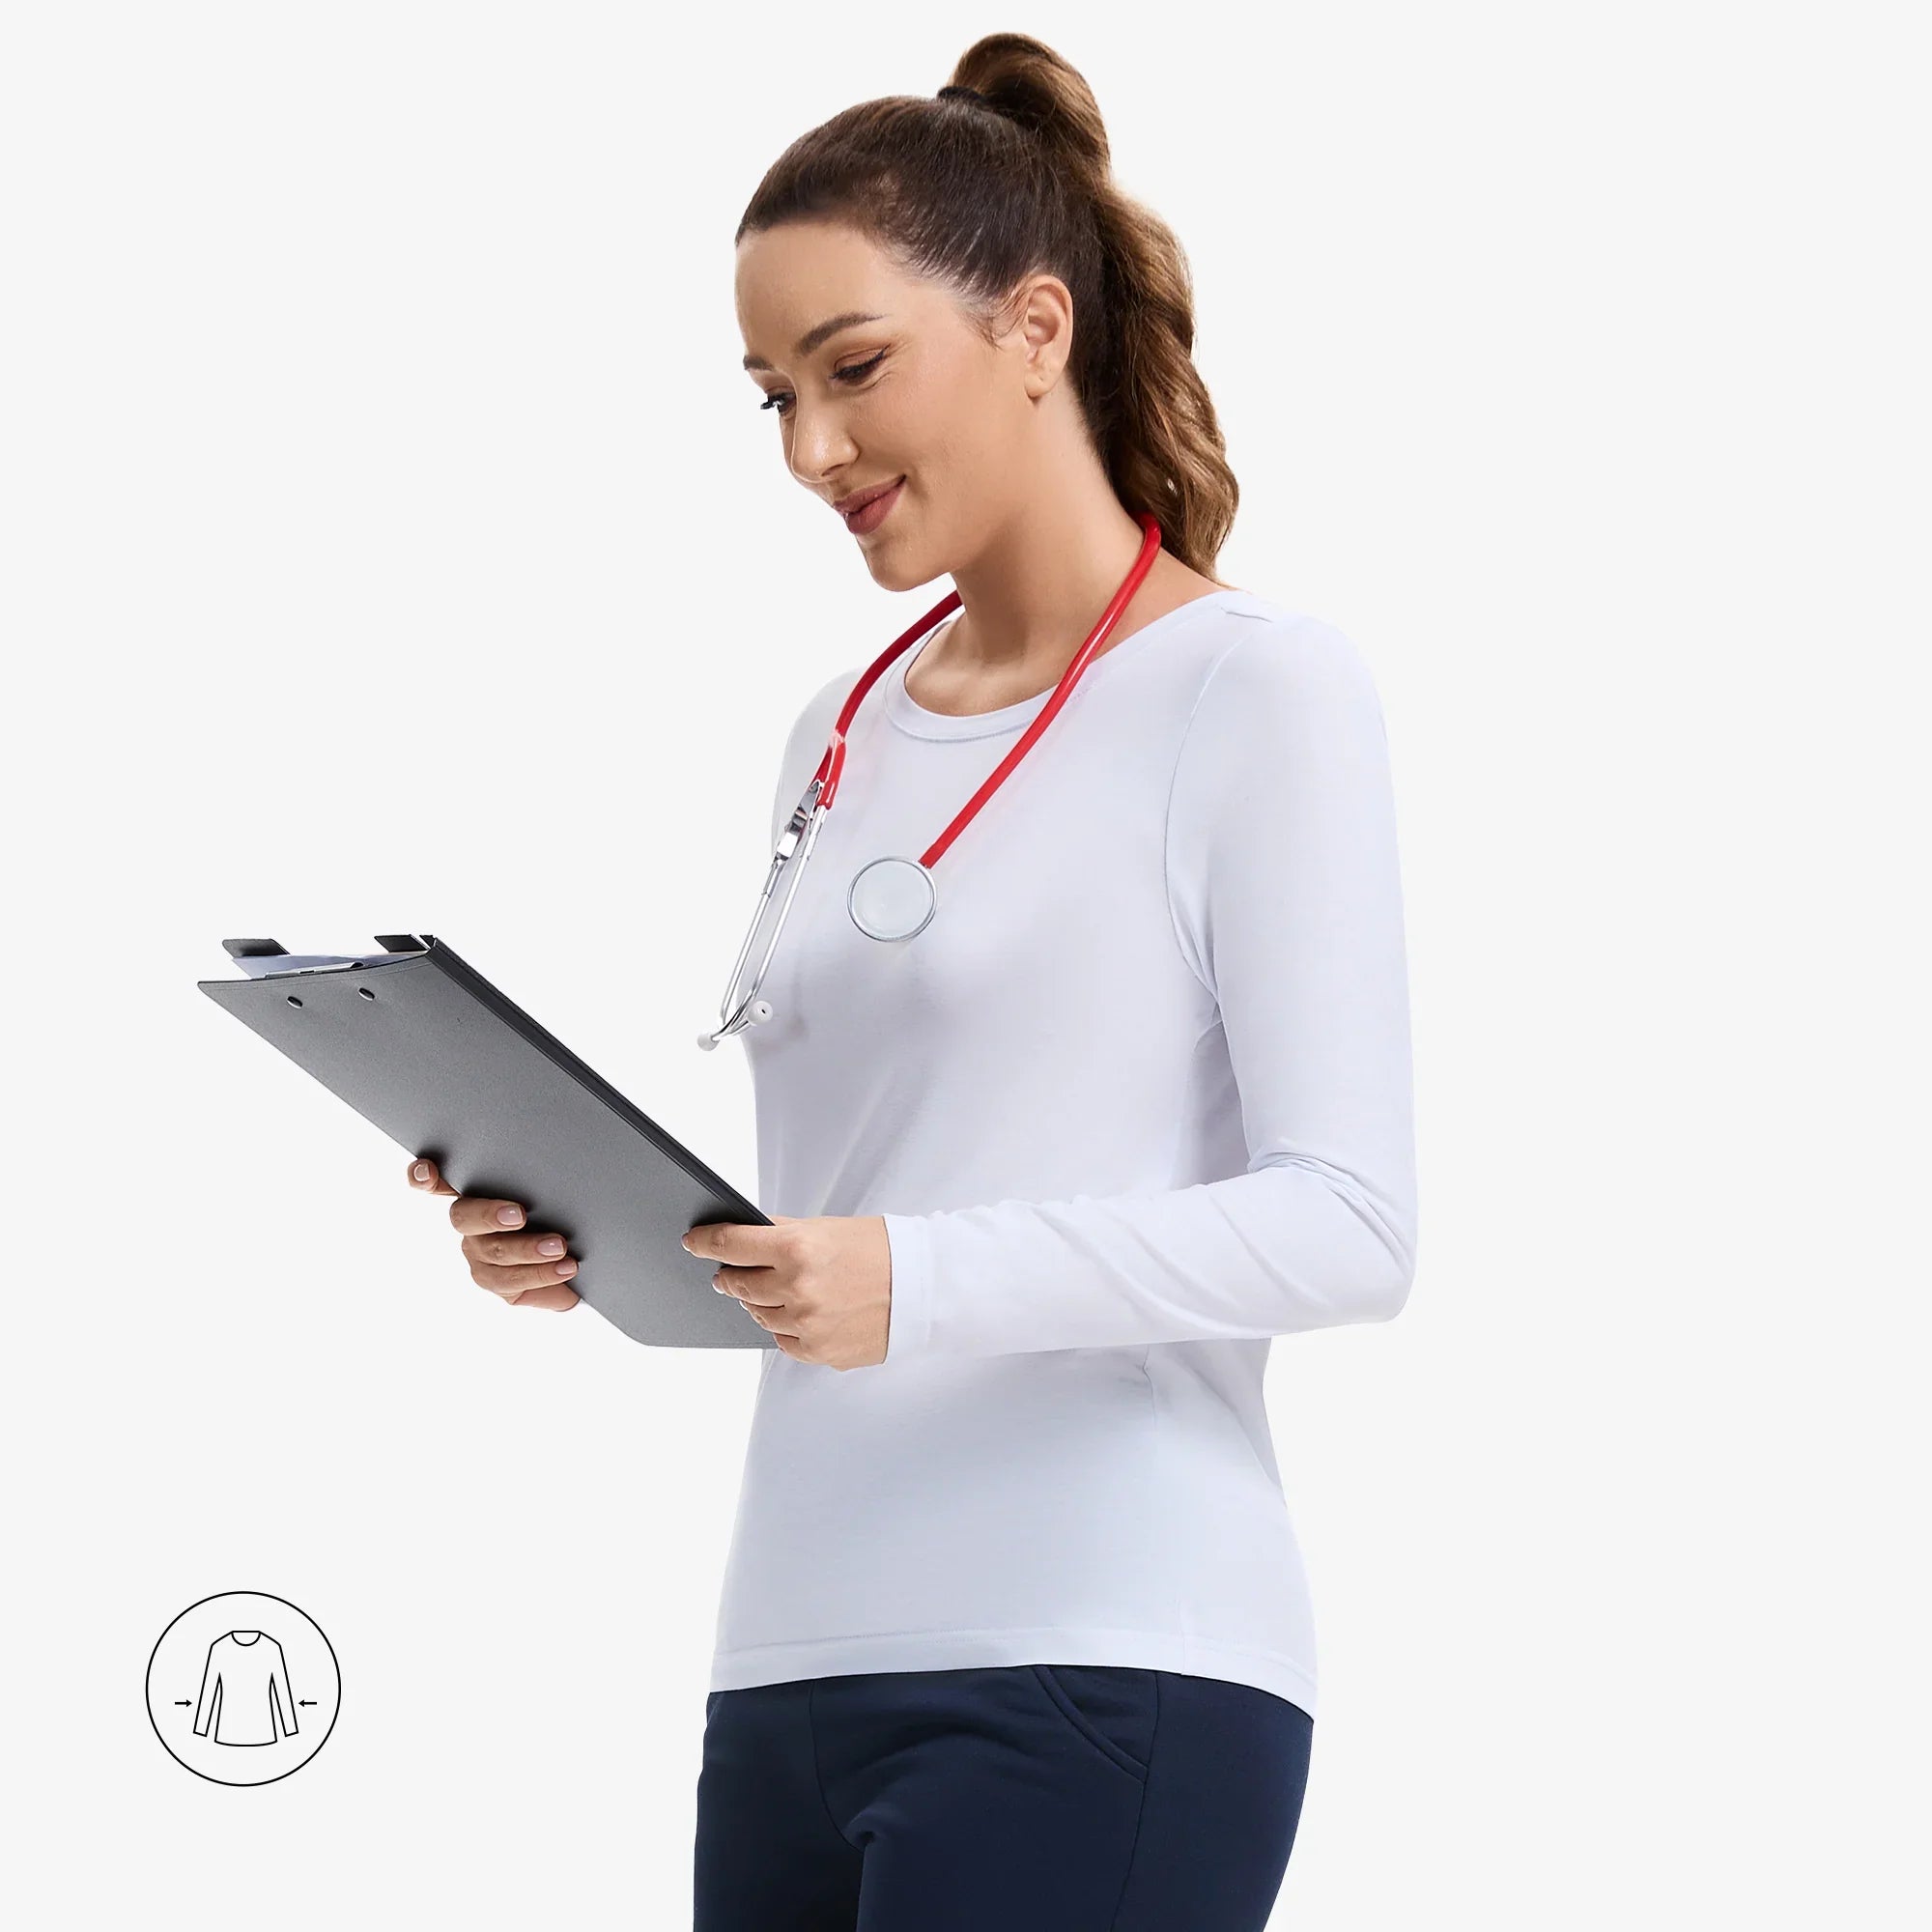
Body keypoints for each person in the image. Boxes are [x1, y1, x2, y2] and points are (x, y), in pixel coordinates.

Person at [410, 30, 1418, 1931]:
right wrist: (588, 1234)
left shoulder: (1254, 691)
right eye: (772, 397)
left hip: (1103, 1646)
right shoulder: (840, 727)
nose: (812, 451)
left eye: (854, 368)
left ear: (1036, 328)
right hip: (790, 1659)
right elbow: (878, 1181)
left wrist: (915, 1278)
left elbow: (1352, 1225)